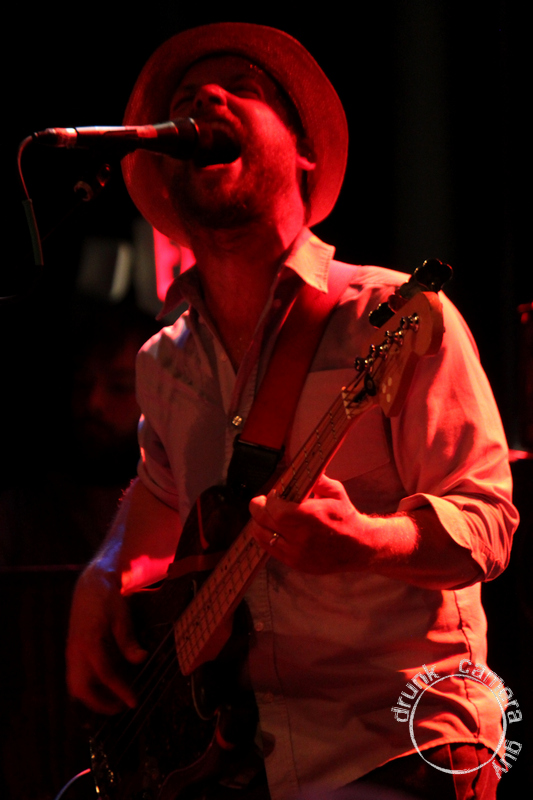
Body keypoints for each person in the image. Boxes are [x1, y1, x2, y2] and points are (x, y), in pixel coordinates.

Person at [66, 23, 519, 800]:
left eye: (241, 90)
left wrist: (364, 541)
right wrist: (104, 572)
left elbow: (487, 523)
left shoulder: (391, 315)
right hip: (230, 760)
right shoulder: (162, 364)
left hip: (393, 744)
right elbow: (161, 494)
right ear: (162, 169)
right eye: (186, 99)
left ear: (304, 150)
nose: (206, 100)